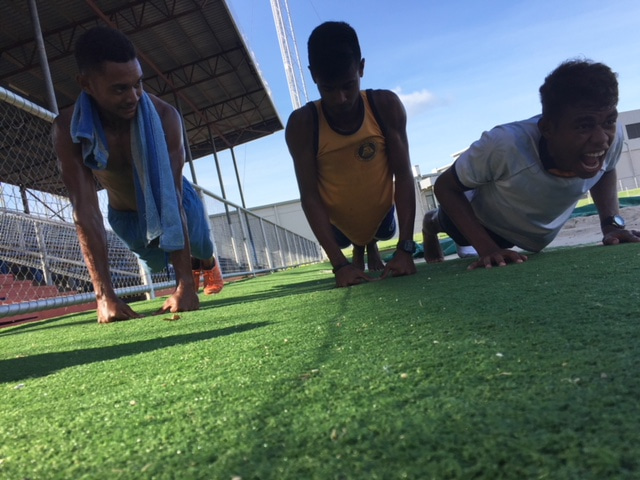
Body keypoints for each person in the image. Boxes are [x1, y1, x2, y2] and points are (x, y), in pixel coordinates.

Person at [52, 26, 224, 324]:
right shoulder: (68, 129)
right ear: (86, 84)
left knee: (201, 245)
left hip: (176, 200)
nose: (133, 96)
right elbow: (85, 210)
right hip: (125, 216)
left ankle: (207, 264)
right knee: (155, 264)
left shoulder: (166, 116)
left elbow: (173, 199)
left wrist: (185, 285)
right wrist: (104, 296)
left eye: (138, 84)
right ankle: (189, 265)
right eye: (120, 89)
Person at [423, 59, 640, 270]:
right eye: (584, 126)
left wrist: (611, 226)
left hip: (534, 233)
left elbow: (606, 169)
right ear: (547, 129)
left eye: (609, 121)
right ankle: (429, 224)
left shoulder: (613, 137)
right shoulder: (504, 144)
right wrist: (487, 249)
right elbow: (444, 186)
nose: (602, 139)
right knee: (444, 223)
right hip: (482, 222)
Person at [285, 21, 417, 287]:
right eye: (328, 89)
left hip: (382, 220)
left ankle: (370, 244)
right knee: (348, 240)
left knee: (382, 232)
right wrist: (340, 265)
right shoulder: (302, 124)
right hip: (339, 229)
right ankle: (358, 247)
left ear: (361, 68)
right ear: (313, 76)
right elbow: (309, 196)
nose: (340, 99)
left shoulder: (385, 106)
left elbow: (403, 177)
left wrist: (405, 249)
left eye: (348, 85)